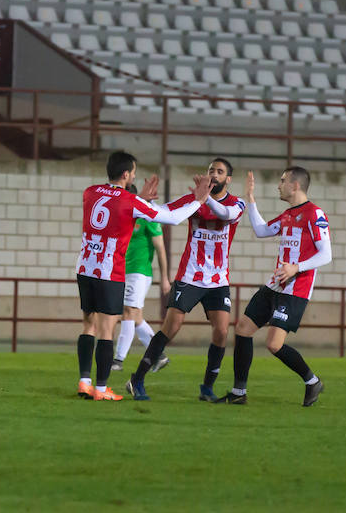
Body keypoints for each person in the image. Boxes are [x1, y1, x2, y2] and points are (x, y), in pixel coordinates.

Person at [74, 151, 210, 401]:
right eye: (134, 172)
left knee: (88, 325)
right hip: (109, 271)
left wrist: (139, 199)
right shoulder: (130, 201)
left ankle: (84, 382)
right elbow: (171, 217)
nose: (134, 175)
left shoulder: (90, 191)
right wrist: (198, 201)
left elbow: (115, 207)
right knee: (106, 330)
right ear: (126, 174)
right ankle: (102, 390)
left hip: (85, 267)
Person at [125, 158, 244, 401]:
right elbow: (163, 212)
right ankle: (137, 379)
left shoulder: (236, 203)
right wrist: (146, 201)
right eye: (211, 170)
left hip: (218, 280)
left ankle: (207, 388)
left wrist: (204, 197)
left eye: (220, 172)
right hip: (190, 276)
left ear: (228, 179)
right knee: (171, 328)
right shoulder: (192, 200)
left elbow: (225, 213)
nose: (214, 174)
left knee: (221, 331)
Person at [212, 167, 331, 407]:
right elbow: (261, 230)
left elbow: (326, 254)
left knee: (274, 344)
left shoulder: (314, 213)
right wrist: (250, 200)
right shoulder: (288, 214)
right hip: (275, 285)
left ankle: (312, 381)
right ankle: (238, 392)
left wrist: (296, 268)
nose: (279, 185)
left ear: (295, 185)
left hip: (295, 289)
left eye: (283, 181)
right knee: (243, 329)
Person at [111, 182, 170, 372]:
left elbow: (161, 248)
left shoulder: (147, 216)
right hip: (124, 270)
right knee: (135, 316)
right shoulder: (122, 215)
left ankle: (118, 360)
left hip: (139, 271)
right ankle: (158, 356)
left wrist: (165, 278)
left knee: (128, 312)